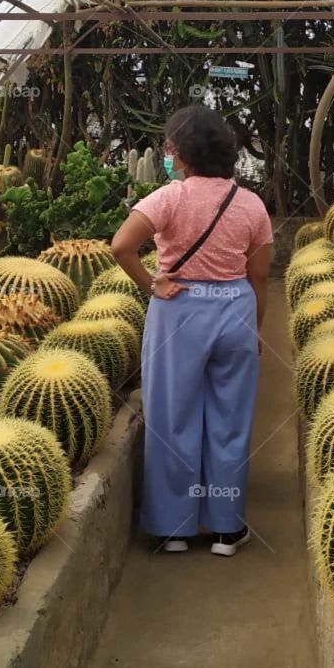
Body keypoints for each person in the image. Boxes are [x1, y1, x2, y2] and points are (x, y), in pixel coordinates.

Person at [111, 106, 273, 556]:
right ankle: (225, 529)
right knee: (229, 421)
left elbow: (122, 246)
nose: (167, 153)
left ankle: (174, 528)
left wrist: (152, 283)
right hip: (234, 307)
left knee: (171, 419)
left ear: (182, 154)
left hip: (177, 310)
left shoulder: (168, 199)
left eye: (169, 146)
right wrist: (253, 331)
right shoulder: (251, 203)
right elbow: (259, 276)